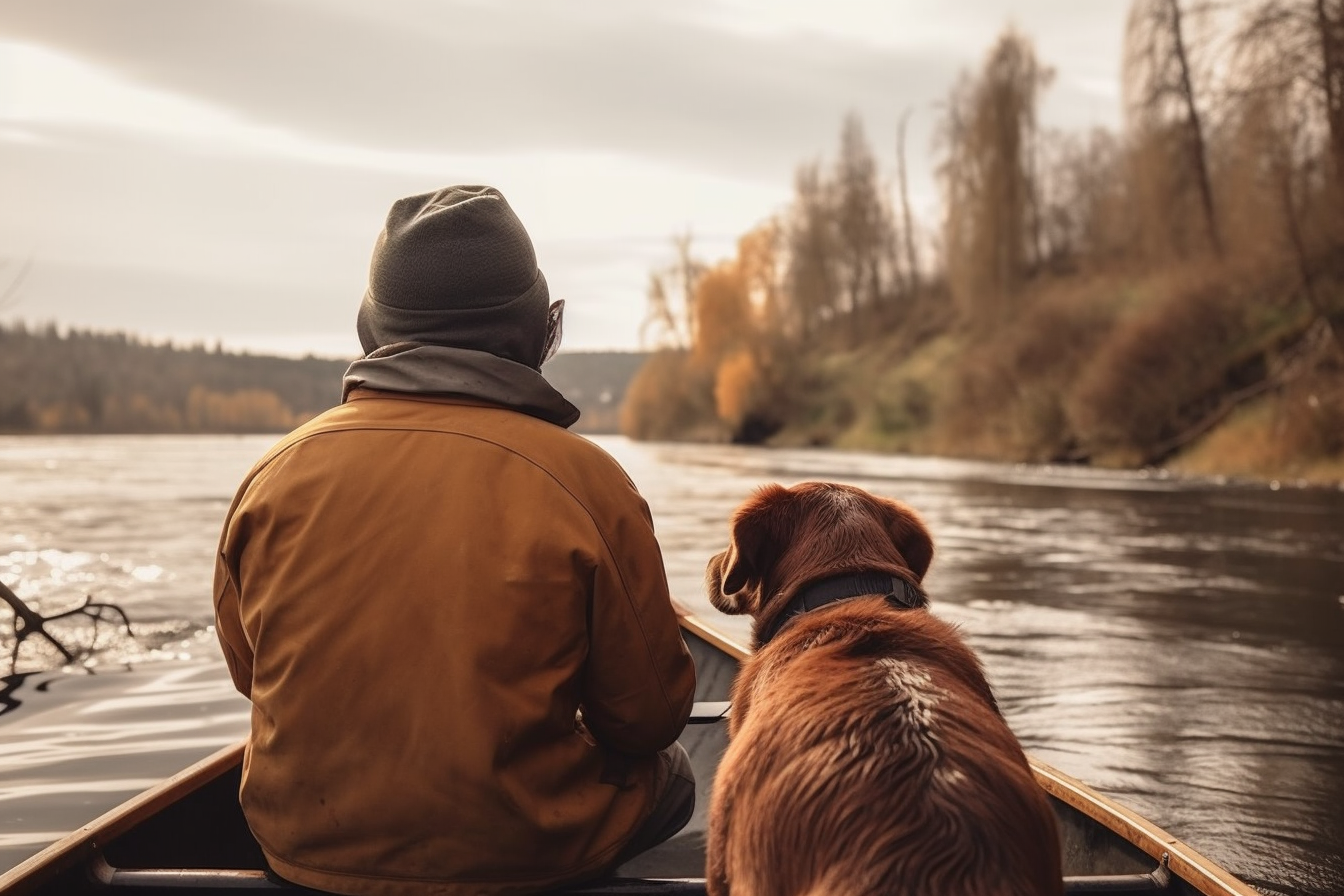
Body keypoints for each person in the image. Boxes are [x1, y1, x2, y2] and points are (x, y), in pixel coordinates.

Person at [212, 185, 697, 896]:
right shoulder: (586, 480)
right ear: (541, 332)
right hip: (524, 855)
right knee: (677, 775)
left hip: (300, 846)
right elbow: (649, 719)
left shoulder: (273, 474)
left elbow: (249, 675)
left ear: (373, 334)